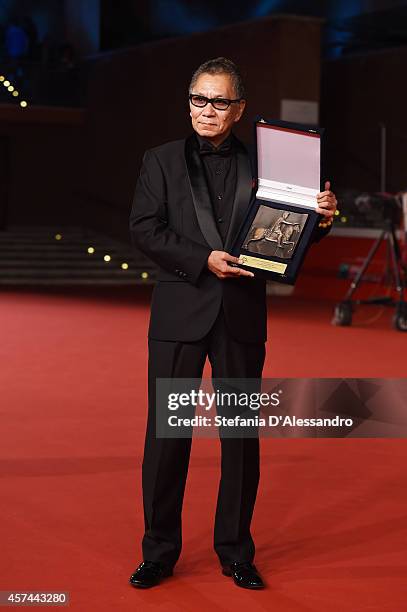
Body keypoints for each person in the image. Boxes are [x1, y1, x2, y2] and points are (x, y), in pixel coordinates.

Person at [128, 57, 337, 590]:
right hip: (180, 313)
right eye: (198, 99)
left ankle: (236, 551)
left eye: (219, 102)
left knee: (241, 438)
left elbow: (283, 238)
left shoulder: (271, 167)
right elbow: (145, 230)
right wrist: (204, 260)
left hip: (241, 315)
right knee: (168, 436)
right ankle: (159, 552)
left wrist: (319, 220)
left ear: (238, 108)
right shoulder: (160, 160)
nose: (206, 111)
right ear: (188, 101)